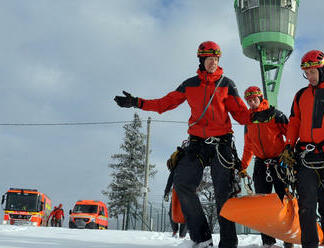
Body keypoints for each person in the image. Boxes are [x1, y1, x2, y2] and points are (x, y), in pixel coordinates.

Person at [114, 41, 251, 248]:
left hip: (221, 145)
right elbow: (164, 104)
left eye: (216, 59)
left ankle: (228, 243)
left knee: (224, 192)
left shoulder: (226, 84)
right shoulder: (190, 84)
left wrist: (259, 114)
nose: (213, 62)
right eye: (209, 59)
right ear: (201, 60)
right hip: (197, 144)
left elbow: (242, 116)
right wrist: (137, 102)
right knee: (183, 183)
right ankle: (202, 237)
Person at [279, 50, 324, 248]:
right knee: (306, 207)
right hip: (306, 157)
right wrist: (288, 146)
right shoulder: (300, 95)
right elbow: (294, 121)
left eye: (312, 72)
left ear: (322, 68)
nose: (309, 76)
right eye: (306, 73)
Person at [240, 86, 292, 248]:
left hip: (279, 163)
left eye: (254, 99)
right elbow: (248, 147)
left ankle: (287, 239)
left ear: (261, 97)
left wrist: (291, 156)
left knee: (283, 201)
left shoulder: (276, 115)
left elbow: (290, 135)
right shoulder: (248, 121)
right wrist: (243, 167)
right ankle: (268, 242)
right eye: (248, 100)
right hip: (261, 164)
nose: (252, 103)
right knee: (263, 203)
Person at [164, 170, 188, 238]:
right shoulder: (176, 167)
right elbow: (170, 180)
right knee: (171, 212)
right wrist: (166, 192)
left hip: (187, 192)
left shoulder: (191, 166)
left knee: (185, 213)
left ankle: (182, 235)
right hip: (176, 191)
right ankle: (175, 231)